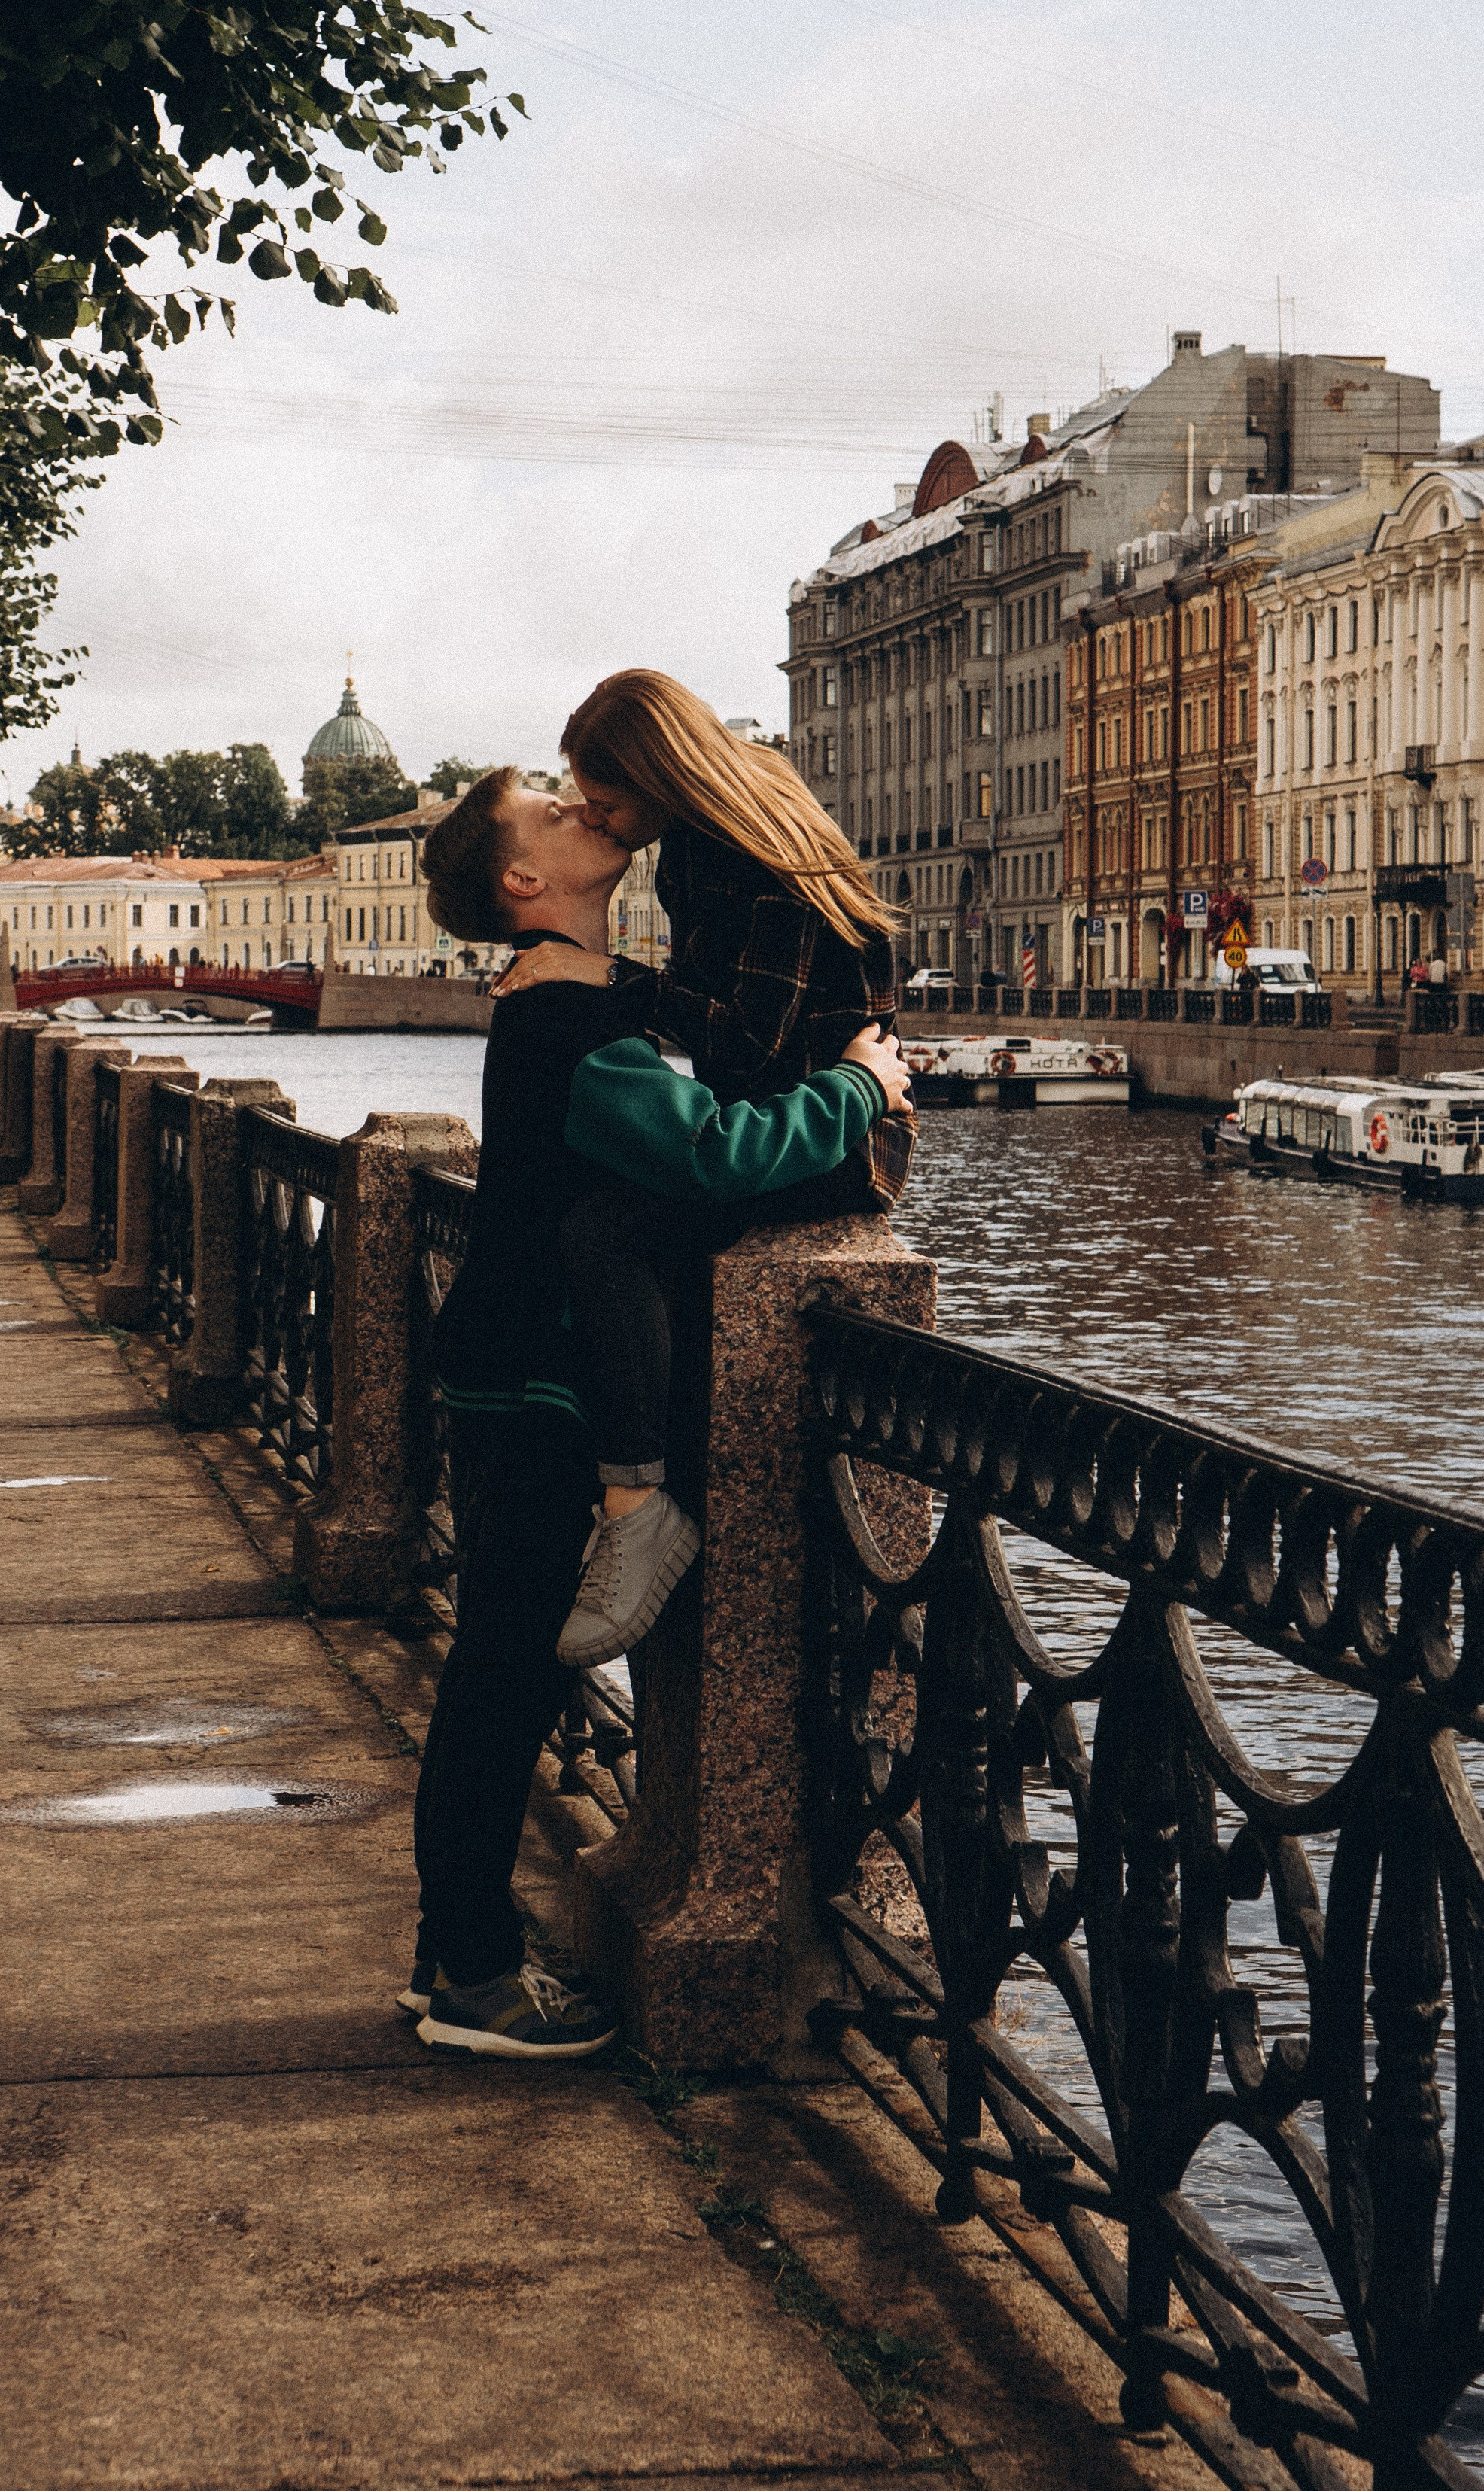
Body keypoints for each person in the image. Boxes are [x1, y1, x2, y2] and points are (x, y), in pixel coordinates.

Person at [408, 769, 911, 2061]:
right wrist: (859, 1086)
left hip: (508, 1366)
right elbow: (714, 1153)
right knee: (503, 1679)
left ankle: (451, 1955)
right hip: (533, 1382)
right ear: (525, 881)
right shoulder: (568, 1026)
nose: (584, 810)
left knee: (496, 1671)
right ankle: (469, 1976)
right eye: (551, 809)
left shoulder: (569, 994)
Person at [494, 671, 911, 1669]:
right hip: (789, 1121)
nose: (597, 819)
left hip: (836, 1140)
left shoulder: (751, 853)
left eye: (607, 802)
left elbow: (755, 1046)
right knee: (614, 1216)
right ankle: (636, 1493)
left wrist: (605, 983)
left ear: (659, 775)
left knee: (603, 1230)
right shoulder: (705, 833)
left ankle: (637, 1507)